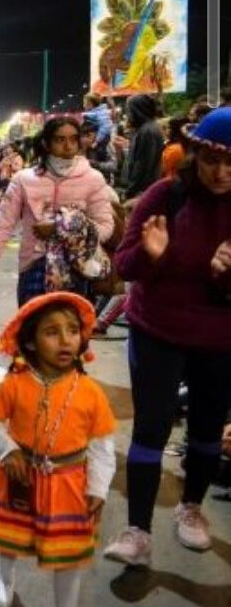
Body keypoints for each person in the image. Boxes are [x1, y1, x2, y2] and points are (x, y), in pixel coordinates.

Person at [103, 107, 231, 565]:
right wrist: (151, 256)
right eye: (213, 159)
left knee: (207, 432)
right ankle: (137, 530)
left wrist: (226, 277)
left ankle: (191, 508)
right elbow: (123, 265)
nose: (221, 172)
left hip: (219, 340)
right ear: (195, 154)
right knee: (151, 428)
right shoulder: (165, 196)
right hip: (157, 329)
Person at [0, 293, 115, 607]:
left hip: (69, 484)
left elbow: (103, 445)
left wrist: (98, 488)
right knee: (11, 534)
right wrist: (8, 450)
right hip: (19, 475)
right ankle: (5, 575)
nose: (66, 340)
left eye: (73, 331)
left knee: (69, 553)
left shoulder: (90, 392)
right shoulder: (15, 383)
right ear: (31, 343)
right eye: (52, 332)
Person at [0, 117, 115, 306]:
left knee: (69, 333)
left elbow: (106, 228)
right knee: (31, 331)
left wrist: (61, 227)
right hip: (33, 269)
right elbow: (1, 228)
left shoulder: (93, 179)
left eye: (73, 139)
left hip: (78, 270)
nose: (68, 146)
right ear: (46, 143)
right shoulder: (23, 180)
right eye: (60, 140)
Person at [121, 94, 165, 203]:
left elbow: (142, 166)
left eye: (129, 111)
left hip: (141, 193)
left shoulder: (147, 131)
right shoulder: (145, 129)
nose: (127, 115)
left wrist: (129, 192)